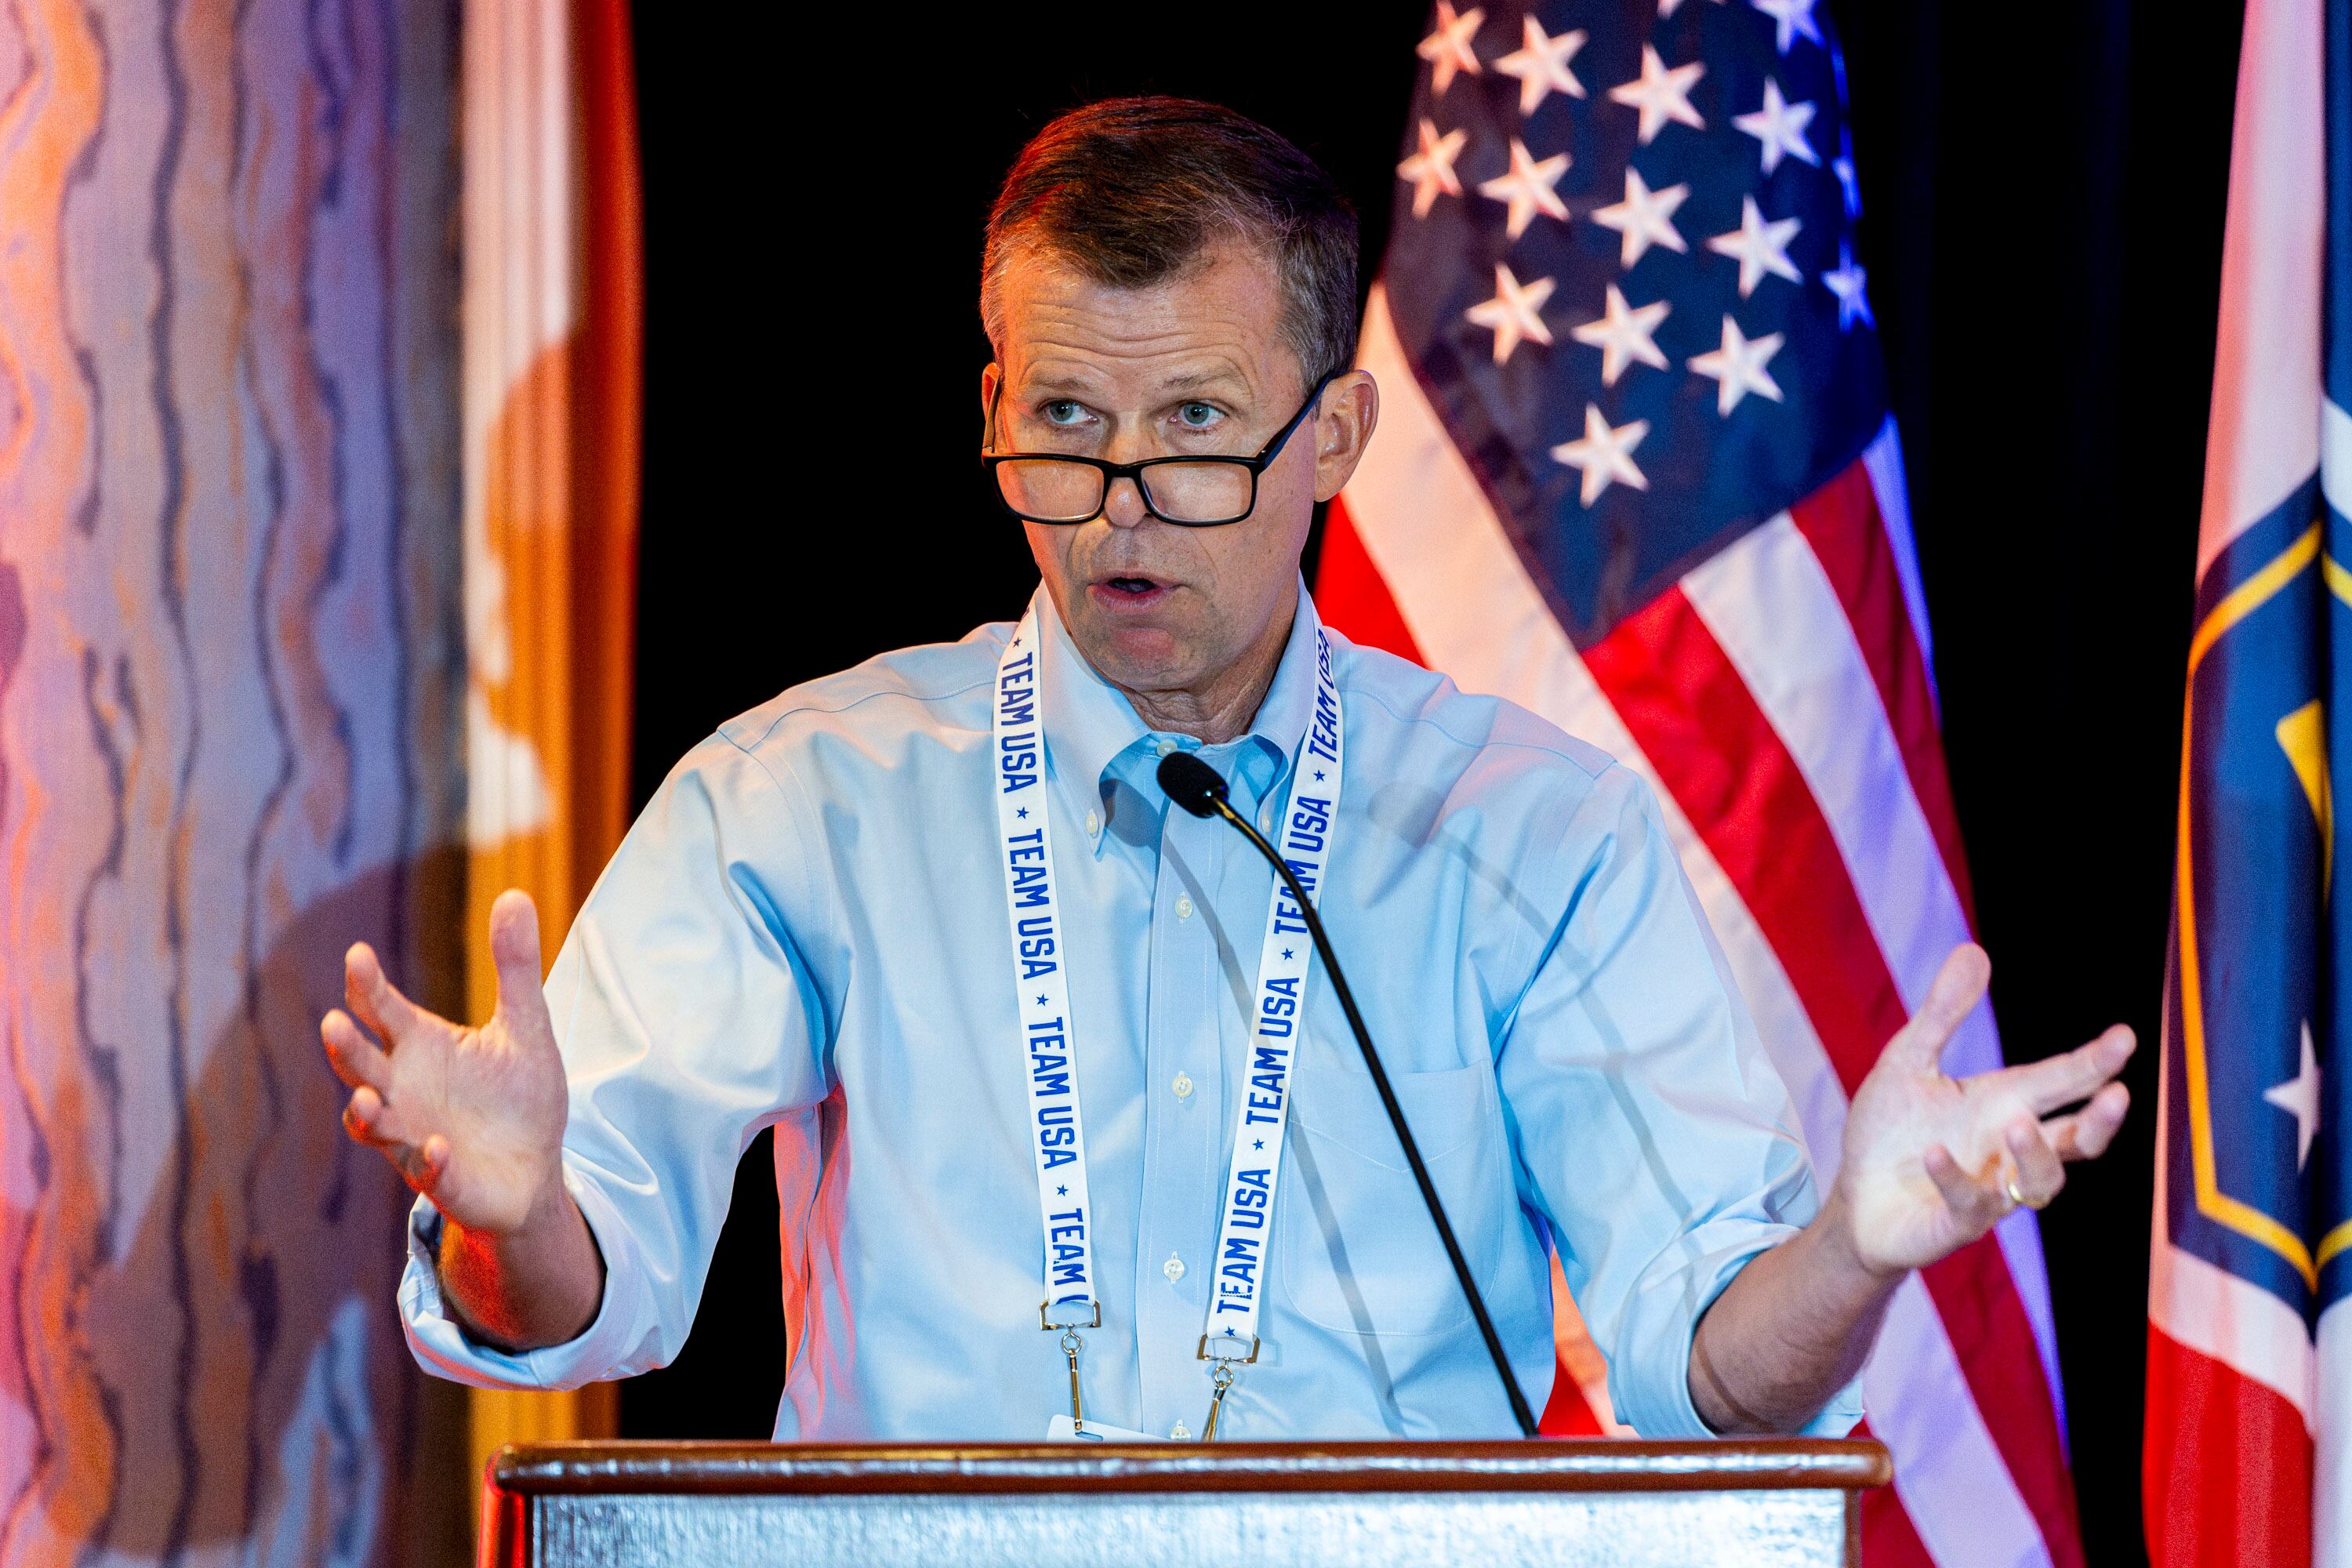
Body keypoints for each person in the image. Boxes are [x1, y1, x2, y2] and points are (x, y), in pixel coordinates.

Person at [320, 97, 2132, 1443]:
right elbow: (573, 1296)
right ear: (991, 411)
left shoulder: (1531, 833)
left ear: (1332, 430)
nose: (1118, 511)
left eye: (1194, 430)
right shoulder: (804, 798)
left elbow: (1712, 1375)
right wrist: (510, 1216)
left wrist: (1861, 1243)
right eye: (1063, 428)